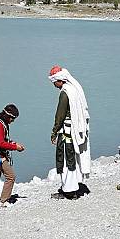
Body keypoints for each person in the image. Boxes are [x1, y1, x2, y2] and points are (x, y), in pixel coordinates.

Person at [48, 65, 91, 199]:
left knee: (66, 160)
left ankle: (69, 190)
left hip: (67, 132)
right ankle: (75, 186)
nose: (54, 85)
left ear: (59, 80)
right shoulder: (75, 89)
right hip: (77, 130)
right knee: (74, 159)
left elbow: (59, 115)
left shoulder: (65, 93)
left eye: (54, 82)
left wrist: (54, 132)